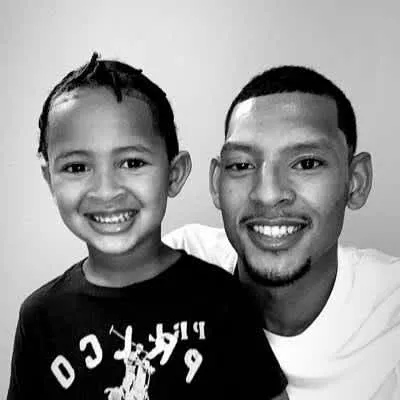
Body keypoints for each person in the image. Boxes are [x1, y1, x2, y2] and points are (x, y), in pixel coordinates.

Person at [7, 54, 288, 400]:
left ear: (174, 174)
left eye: (132, 162)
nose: (106, 191)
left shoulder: (223, 298)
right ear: (49, 178)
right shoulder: (40, 317)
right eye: (77, 167)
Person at [164, 65, 400, 399]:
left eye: (306, 163)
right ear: (217, 184)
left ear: (356, 181)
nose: (268, 194)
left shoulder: (391, 315)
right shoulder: (176, 268)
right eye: (241, 165)